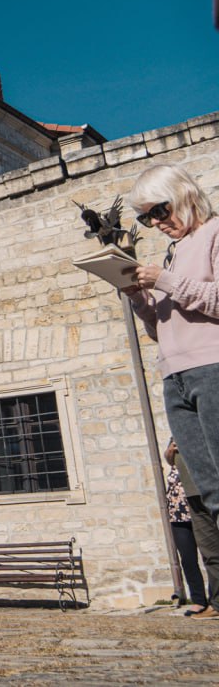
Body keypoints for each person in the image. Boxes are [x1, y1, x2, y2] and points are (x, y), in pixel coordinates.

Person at [127, 164, 219, 519]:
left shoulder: (213, 232)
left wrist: (166, 281)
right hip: (174, 377)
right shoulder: (173, 252)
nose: (156, 223)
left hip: (212, 368)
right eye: (146, 218)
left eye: (159, 211)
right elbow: (159, 330)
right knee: (210, 491)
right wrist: (138, 298)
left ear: (183, 193)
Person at [168, 439, 219, 618]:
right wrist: (171, 450)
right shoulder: (177, 435)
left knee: (210, 552)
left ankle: (215, 600)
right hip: (178, 507)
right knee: (188, 558)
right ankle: (198, 600)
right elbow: (169, 460)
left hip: (199, 499)